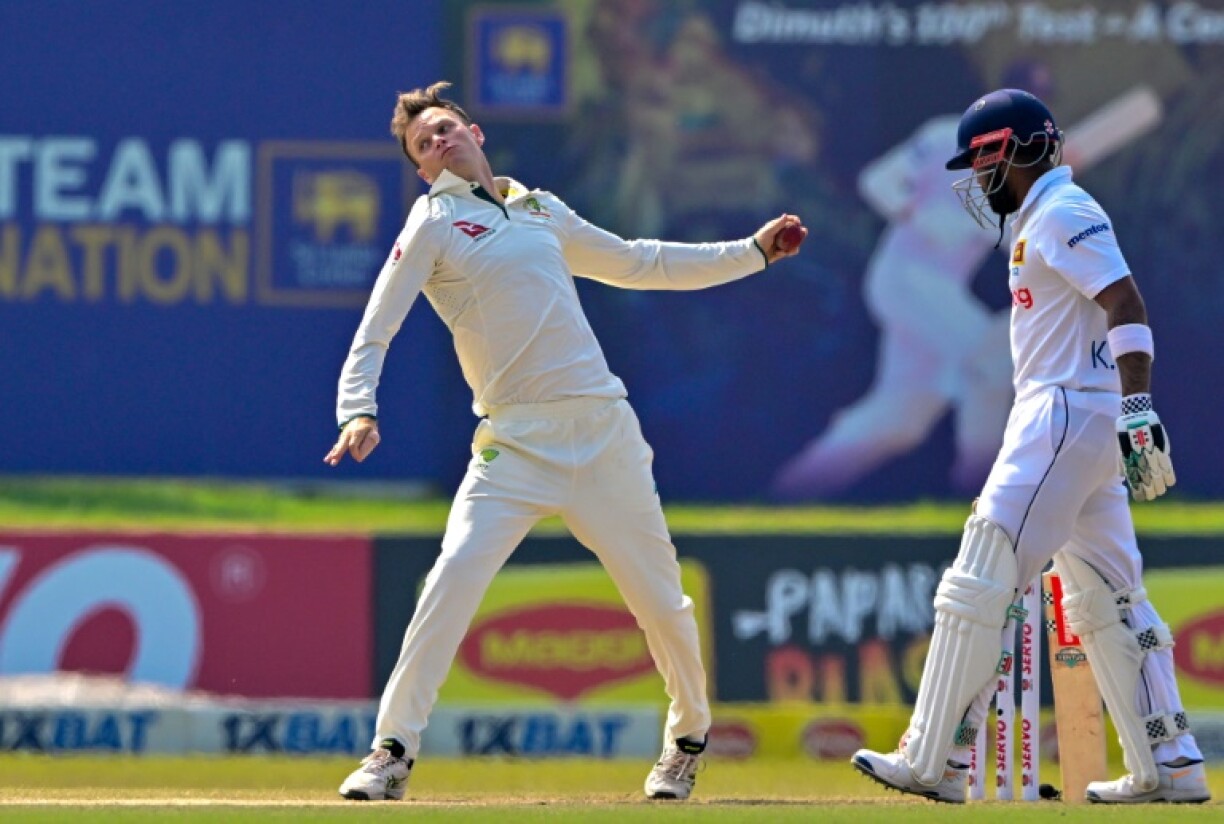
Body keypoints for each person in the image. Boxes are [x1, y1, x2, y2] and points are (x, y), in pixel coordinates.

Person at [325, 81, 805, 802]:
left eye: (446, 128)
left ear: (476, 134)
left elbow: (639, 261)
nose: (439, 142)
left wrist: (752, 253)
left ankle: (685, 742)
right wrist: (357, 410)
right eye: (424, 144)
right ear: (422, 170)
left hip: (604, 433)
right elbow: (376, 325)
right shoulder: (433, 221)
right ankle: (391, 753)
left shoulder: (541, 208)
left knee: (662, 603)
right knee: (451, 580)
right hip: (514, 445)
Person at [851, 88, 1209, 804]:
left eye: (980, 164)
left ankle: (934, 761)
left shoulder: (1063, 211)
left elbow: (1125, 302)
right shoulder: (1043, 215)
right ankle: (1170, 765)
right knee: (1110, 597)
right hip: (1077, 419)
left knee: (982, 573)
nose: (977, 181)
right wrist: (1124, 410)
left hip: (1063, 414)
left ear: (1009, 151)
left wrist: (1138, 405)